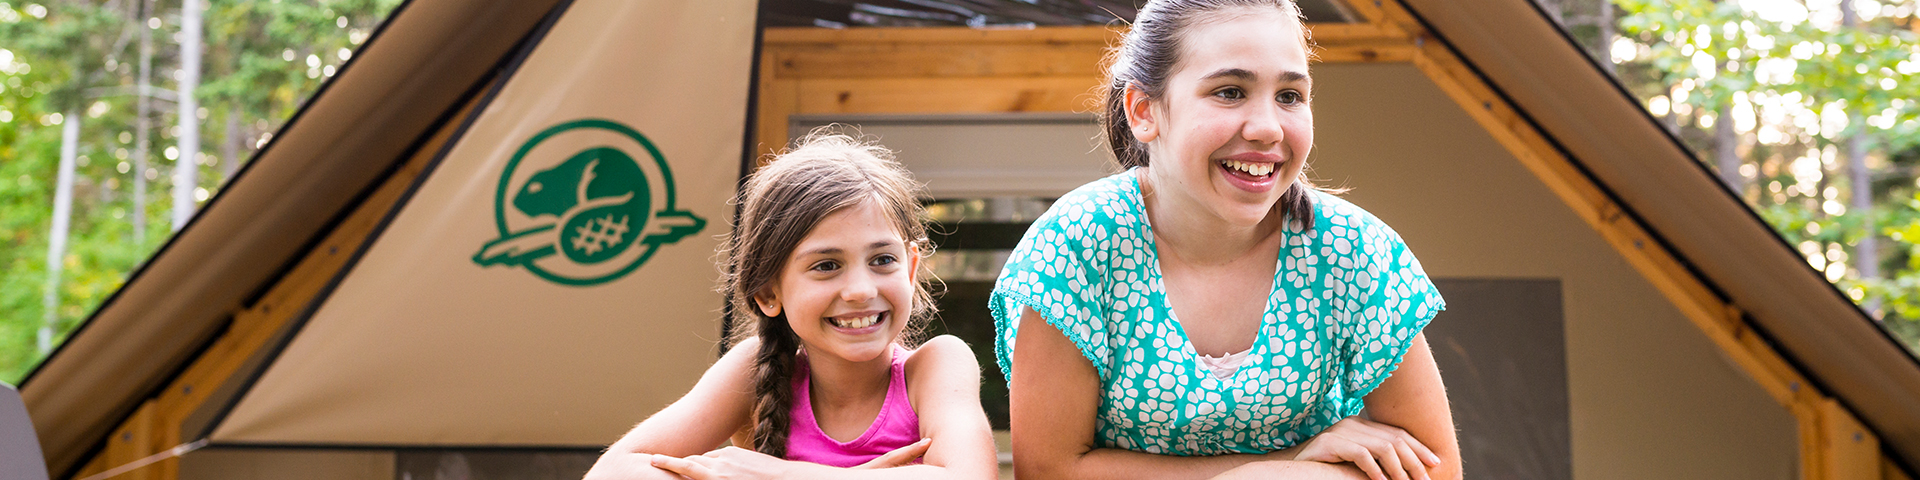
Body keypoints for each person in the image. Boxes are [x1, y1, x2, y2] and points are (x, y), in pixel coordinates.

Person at [992, 1, 1461, 479]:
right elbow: (1050, 470)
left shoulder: (1352, 249)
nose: (1267, 127)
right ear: (1143, 111)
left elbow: (1435, 468)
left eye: (1290, 96)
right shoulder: (1076, 244)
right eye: (1230, 91)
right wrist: (1278, 469)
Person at [584, 132, 998, 480]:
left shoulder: (936, 367)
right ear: (768, 293)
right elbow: (612, 471)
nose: (859, 289)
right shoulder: (753, 369)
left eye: (882, 260)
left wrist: (777, 474)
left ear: (910, 270)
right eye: (826, 265)